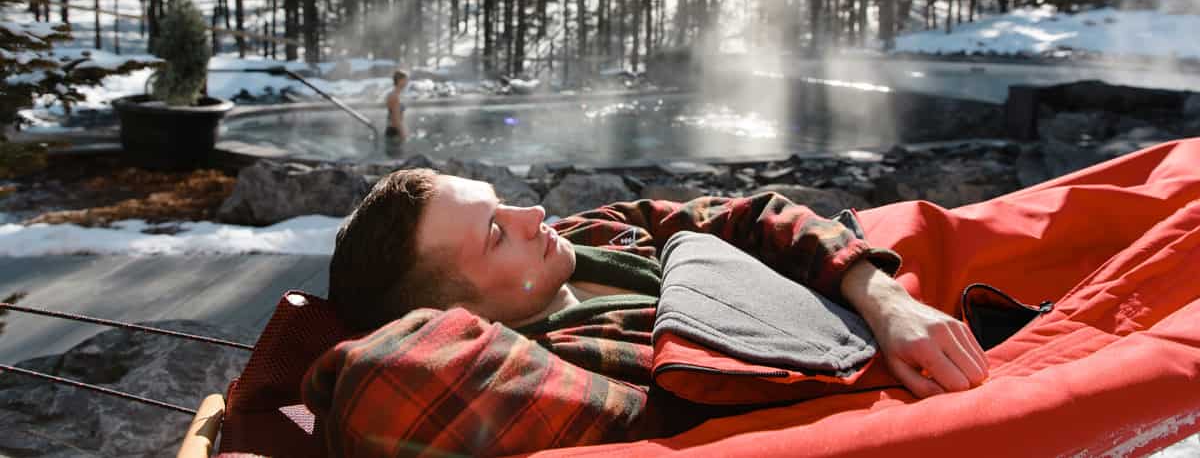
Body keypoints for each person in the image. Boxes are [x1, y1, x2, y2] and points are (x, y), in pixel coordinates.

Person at [315, 168, 989, 455]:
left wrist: (882, 293)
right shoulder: (563, 370)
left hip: (889, 299)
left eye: (504, 201)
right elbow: (384, 388)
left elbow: (749, 212)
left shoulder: (588, 237)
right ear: (454, 316)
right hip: (909, 376)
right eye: (496, 232)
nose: (535, 214)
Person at [383, 69, 408, 156]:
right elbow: (395, 118)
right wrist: (402, 132)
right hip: (394, 131)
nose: (406, 83)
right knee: (397, 159)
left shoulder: (395, 95)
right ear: (399, 81)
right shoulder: (394, 96)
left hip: (393, 130)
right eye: (405, 80)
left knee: (396, 157)